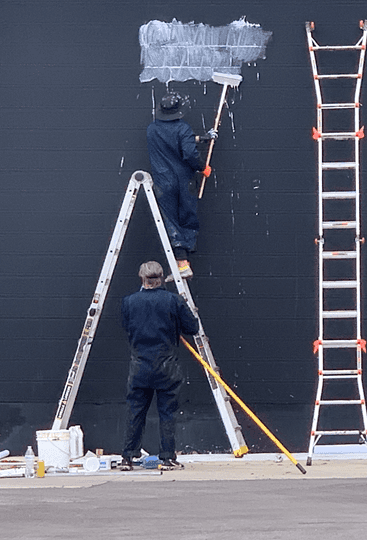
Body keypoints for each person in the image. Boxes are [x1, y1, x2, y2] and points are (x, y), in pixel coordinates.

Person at [119, 261, 200, 470]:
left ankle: (128, 457)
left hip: (139, 366)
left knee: (135, 411)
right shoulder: (173, 300)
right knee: (167, 413)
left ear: (141, 277)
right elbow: (192, 328)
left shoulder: (129, 302)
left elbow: (127, 327)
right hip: (167, 366)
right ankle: (167, 457)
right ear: (162, 277)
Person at [147, 92, 215, 281]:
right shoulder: (183, 128)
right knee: (187, 218)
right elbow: (189, 154)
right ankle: (184, 263)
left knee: (170, 220)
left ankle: (180, 263)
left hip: (162, 181)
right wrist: (203, 167)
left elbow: (171, 140)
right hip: (183, 181)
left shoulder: (152, 129)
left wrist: (201, 138)